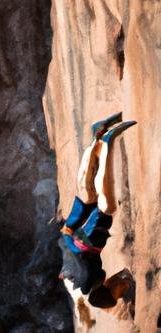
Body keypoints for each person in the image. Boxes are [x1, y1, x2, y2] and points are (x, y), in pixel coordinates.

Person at [59, 112, 136, 308]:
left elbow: (78, 261)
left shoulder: (89, 280)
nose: (121, 291)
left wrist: (72, 239)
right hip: (77, 236)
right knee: (88, 194)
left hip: (86, 239)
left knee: (105, 205)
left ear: (106, 293)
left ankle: (107, 142)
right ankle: (97, 136)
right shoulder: (89, 282)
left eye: (118, 295)